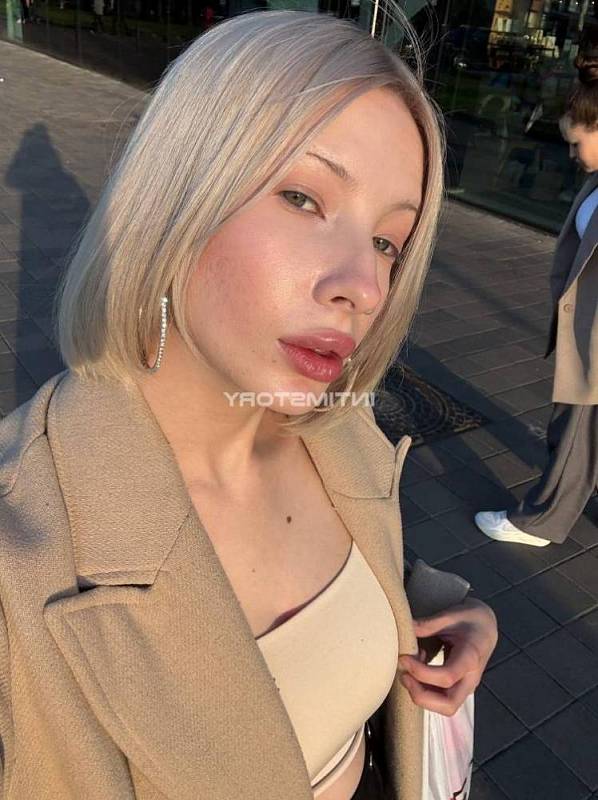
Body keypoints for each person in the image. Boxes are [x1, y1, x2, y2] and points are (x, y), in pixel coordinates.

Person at [0, 9, 498, 800]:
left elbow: (361, 584)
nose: (365, 288)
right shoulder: (21, 560)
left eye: (387, 243)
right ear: (175, 200)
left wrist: (453, 612)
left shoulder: (342, 436)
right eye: (303, 198)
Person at [475, 41, 598, 547]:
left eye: (578, 142)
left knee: (575, 434)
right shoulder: (596, 181)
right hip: (585, 327)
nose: (571, 154)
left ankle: (539, 523)